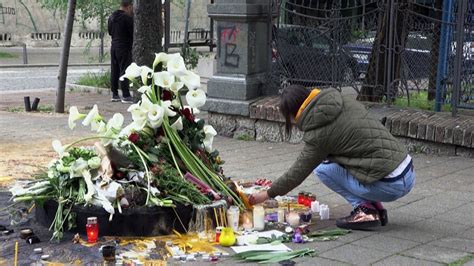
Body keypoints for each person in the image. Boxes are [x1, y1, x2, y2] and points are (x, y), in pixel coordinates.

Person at [249, 85, 415, 230]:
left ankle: (365, 210)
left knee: (323, 169)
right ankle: (375, 208)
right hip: (407, 170)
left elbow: (297, 172)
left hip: (390, 184)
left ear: (293, 114)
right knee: (331, 161)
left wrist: (267, 194)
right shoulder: (341, 100)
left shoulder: (318, 133)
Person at [108, 0, 134, 103]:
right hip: (124, 46)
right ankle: (126, 95)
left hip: (114, 46)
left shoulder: (111, 18)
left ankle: (115, 94)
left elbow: (110, 32)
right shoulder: (127, 18)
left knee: (114, 69)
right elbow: (132, 33)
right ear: (128, 7)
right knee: (125, 70)